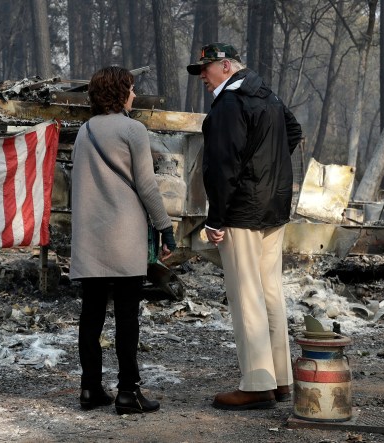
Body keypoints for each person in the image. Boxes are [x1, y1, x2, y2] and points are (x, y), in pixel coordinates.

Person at [187, 43, 303, 410]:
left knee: (246, 295)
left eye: (205, 69)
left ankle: (256, 383)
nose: (202, 76)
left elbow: (223, 166)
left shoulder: (229, 104)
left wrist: (216, 218)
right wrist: (268, 171)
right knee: (270, 292)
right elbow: (293, 131)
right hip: (274, 207)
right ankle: (281, 379)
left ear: (225, 66)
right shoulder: (266, 94)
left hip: (241, 211)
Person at [70, 66, 176, 414]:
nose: (133, 94)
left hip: (90, 238)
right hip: (124, 235)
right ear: (120, 92)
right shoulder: (133, 129)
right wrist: (164, 226)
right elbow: (146, 185)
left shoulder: (85, 131)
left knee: (91, 316)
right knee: (127, 317)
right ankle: (128, 393)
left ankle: (89, 390)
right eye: (130, 89)